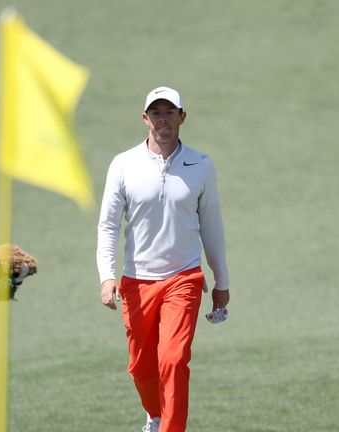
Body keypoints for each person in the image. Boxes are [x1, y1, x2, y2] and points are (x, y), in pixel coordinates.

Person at [97, 87, 230, 432]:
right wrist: (106, 276)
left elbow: (212, 225)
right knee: (141, 368)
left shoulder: (200, 165)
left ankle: (170, 427)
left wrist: (221, 281)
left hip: (183, 278)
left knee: (173, 359)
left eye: (170, 112)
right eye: (156, 113)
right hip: (136, 281)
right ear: (145, 119)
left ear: (182, 117)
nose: (163, 119)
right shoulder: (123, 164)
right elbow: (108, 225)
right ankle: (155, 415)